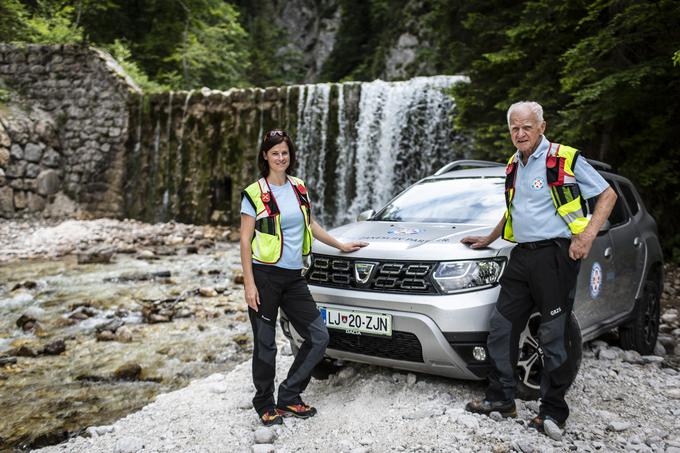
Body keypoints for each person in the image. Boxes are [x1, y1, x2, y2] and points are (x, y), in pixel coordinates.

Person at [461, 101, 617, 435]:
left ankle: (553, 411)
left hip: (557, 256)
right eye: (514, 128)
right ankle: (501, 397)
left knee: (553, 335)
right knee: (502, 326)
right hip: (521, 256)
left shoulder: (565, 158)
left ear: (541, 127)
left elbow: (608, 195)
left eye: (526, 127)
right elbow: (515, 208)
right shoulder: (513, 165)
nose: (520, 133)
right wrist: (489, 238)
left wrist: (587, 235)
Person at [240, 129, 368, 426]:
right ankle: (264, 403)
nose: (280, 158)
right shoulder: (254, 193)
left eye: (284, 153)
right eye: (275, 153)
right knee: (266, 345)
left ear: (290, 155)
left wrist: (340, 244)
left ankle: (289, 395)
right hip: (264, 277)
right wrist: (249, 283)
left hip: (294, 278)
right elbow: (245, 241)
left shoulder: (298, 187)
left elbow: (311, 223)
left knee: (318, 336)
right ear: (265, 156)